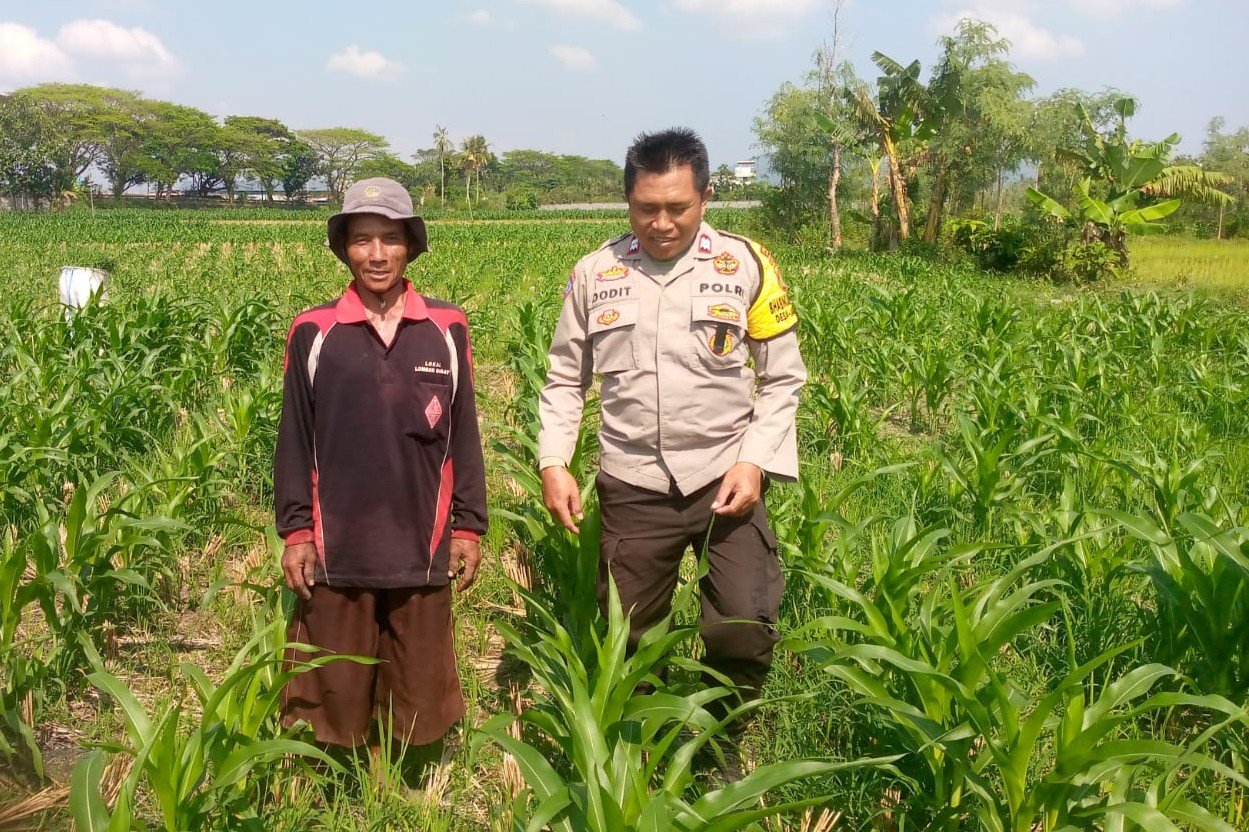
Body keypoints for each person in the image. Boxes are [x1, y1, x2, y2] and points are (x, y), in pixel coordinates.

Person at [537, 128, 806, 735]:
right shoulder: (595, 273)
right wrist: (554, 461)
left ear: (706, 197)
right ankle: (644, 745)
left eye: (678, 208)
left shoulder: (745, 264)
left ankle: (721, 741)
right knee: (629, 634)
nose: (661, 224)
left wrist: (754, 462)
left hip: (725, 477)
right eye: (646, 208)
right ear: (627, 201)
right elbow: (565, 379)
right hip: (633, 482)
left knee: (742, 624)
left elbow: (783, 377)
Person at [274, 177, 487, 768]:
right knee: (333, 688)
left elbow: (464, 436)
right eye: (361, 239)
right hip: (337, 544)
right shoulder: (314, 331)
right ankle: (333, 782)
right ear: (344, 247)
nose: (376, 254)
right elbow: (294, 440)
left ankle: (407, 780)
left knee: (419, 684)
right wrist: (297, 531)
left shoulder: (446, 327)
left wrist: (468, 526)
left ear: (410, 246)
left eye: (390, 239)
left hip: (421, 540)